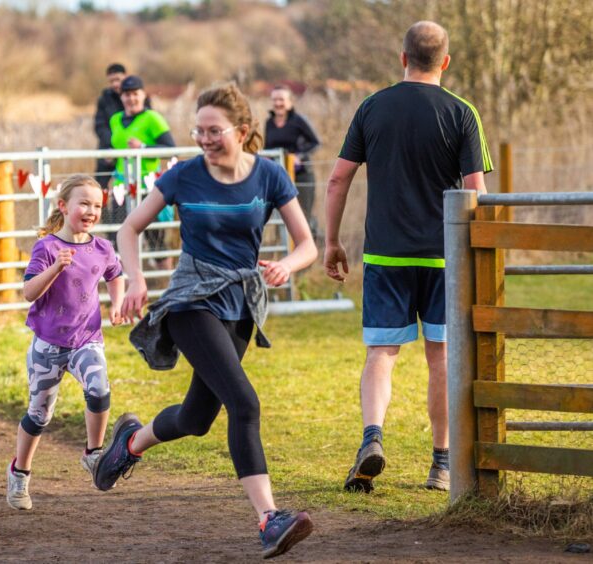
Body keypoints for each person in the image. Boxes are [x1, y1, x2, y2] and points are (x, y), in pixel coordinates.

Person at [94, 82, 318, 559]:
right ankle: (268, 519)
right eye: (199, 130)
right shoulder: (183, 176)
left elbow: (307, 243)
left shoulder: (270, 177)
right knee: (245, 403)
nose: (204, 139)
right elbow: (129, 227)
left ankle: (128, 444)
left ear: (241, 130)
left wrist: (288, 265)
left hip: (240, 305)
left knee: (196, 419)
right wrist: (135, 281)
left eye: (214, 131)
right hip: (190, 302)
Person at [323, 21, 493, 494]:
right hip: (445, 259)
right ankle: (441, 464)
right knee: (440, 360)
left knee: (381, 354)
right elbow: (477, 193)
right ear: (445, 62)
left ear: (402, 58)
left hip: (385, 255)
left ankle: (371, 439)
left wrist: (332, 241)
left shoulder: (371, 107)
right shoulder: (463, 113)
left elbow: (338, 179)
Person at [6, 174, 125, 510]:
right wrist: (56, 268)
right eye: (84, 203)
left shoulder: (102, 247)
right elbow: (29, 292)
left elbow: (115, 276)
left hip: (87, 339)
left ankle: (93, 453)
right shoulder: (48, 248)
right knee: (39, 414)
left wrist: (117, 304)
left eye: (97, 205)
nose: (91, 210)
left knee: (99, 388)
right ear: (63, 206)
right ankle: (20, 473)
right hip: (48, 344)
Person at [109, 75, 176, 270]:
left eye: (135, 94)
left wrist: (144, 147)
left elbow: (171, 149)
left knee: (155, 237)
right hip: (122, 187)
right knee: (119, 236)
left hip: (147, 185)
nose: (131, 98)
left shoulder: (152, 118)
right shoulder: (115, 120)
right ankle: (125, 286)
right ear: (121, 97)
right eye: (126, 94)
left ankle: (164, 284)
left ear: (143, 95)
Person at [264, 85, 321, 236]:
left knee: (304, 215)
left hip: (301, 175)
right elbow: (268, 147)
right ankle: (285, 251)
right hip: (279, 176)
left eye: (281, 99)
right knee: (283, 216)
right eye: (275, 99)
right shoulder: (269, 123)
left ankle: (312, 246)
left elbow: (315, 142)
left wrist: (298, 156)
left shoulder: (299, 120)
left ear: (290, 102)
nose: (278, 103)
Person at [94, 63, 127, 191]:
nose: (115, 84)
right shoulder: (104, 98)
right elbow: (99, 126)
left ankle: (123, 211)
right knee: (100, 188)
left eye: (117, 79)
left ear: (125, 77)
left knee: (127, 187)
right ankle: (102, 212)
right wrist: (112, 146)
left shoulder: (136, 95)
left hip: (128, 149)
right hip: (107, 148)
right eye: (111, 81)